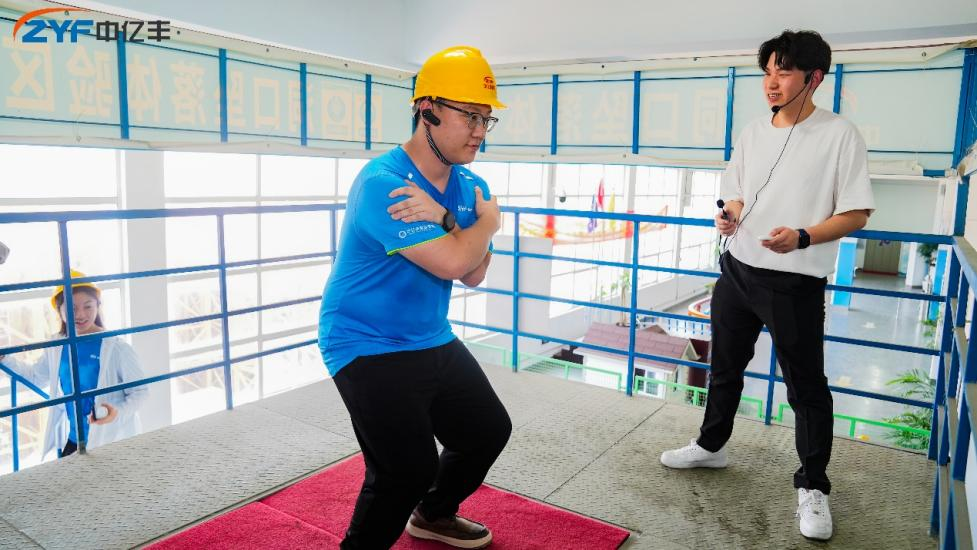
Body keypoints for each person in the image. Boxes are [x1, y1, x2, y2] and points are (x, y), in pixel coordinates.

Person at [659, 30, 875, 541]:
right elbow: (735, 193)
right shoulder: (754, 132)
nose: (771, 83)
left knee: (806, 388)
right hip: (737, 270)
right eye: (767, 72)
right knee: (724, 369)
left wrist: (803, 236)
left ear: (813, 78)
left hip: (794, 281)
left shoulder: (839, 135)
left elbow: (857, 212)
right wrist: (729, 215)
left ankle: (813, 486)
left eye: (784, 72)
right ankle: (711, 446)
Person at [317, 45, 511, 549]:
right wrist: (486, 224)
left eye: (486, 119)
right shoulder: (385, 184)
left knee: (487, 431)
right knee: (405, 469)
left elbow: (474, 273)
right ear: (427, 110)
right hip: (363, 340)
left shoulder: (470, 185)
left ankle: (432, 515)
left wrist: (447, 220)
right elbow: (454, 263)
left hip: (428, 334)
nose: (480, 132)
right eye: (469, 116)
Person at [0, 270, 147, 458]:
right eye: (71, 308)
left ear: (98, 306)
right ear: (59, 311)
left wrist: (117, 413)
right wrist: (4, 359)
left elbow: (140, 392)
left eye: (88, 306)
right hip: (73, 442)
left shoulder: (116, 347)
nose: (80, 314)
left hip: (109, 441)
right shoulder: (56, 346)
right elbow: (35, 377)